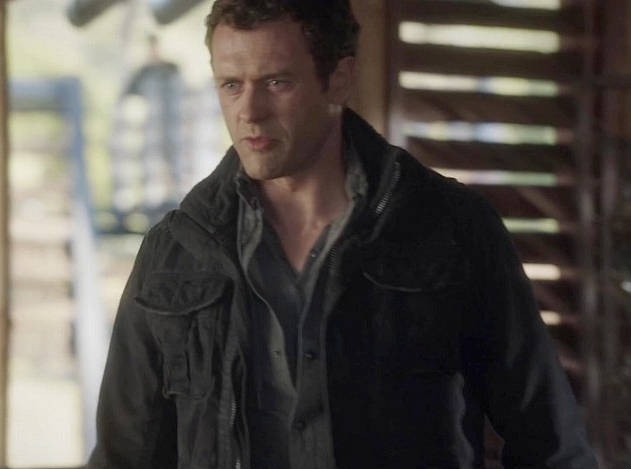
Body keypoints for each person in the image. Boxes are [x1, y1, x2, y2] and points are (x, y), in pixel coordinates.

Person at [88, 0, 597, 467]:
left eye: (276, 82)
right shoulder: (175, 251)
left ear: (339, 80)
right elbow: (123, 455)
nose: (249, 112)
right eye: (231, 85)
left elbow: (550, 444)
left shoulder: (453, 229)